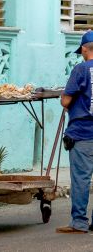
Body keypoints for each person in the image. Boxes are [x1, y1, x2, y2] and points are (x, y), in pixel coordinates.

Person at [56, 30, 93, 234]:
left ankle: (79, 222)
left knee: (81, 179)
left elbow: (66, 100)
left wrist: (64, 94)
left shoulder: (80, 70)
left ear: (86, 50)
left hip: (82, 134)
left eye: (82, 51)